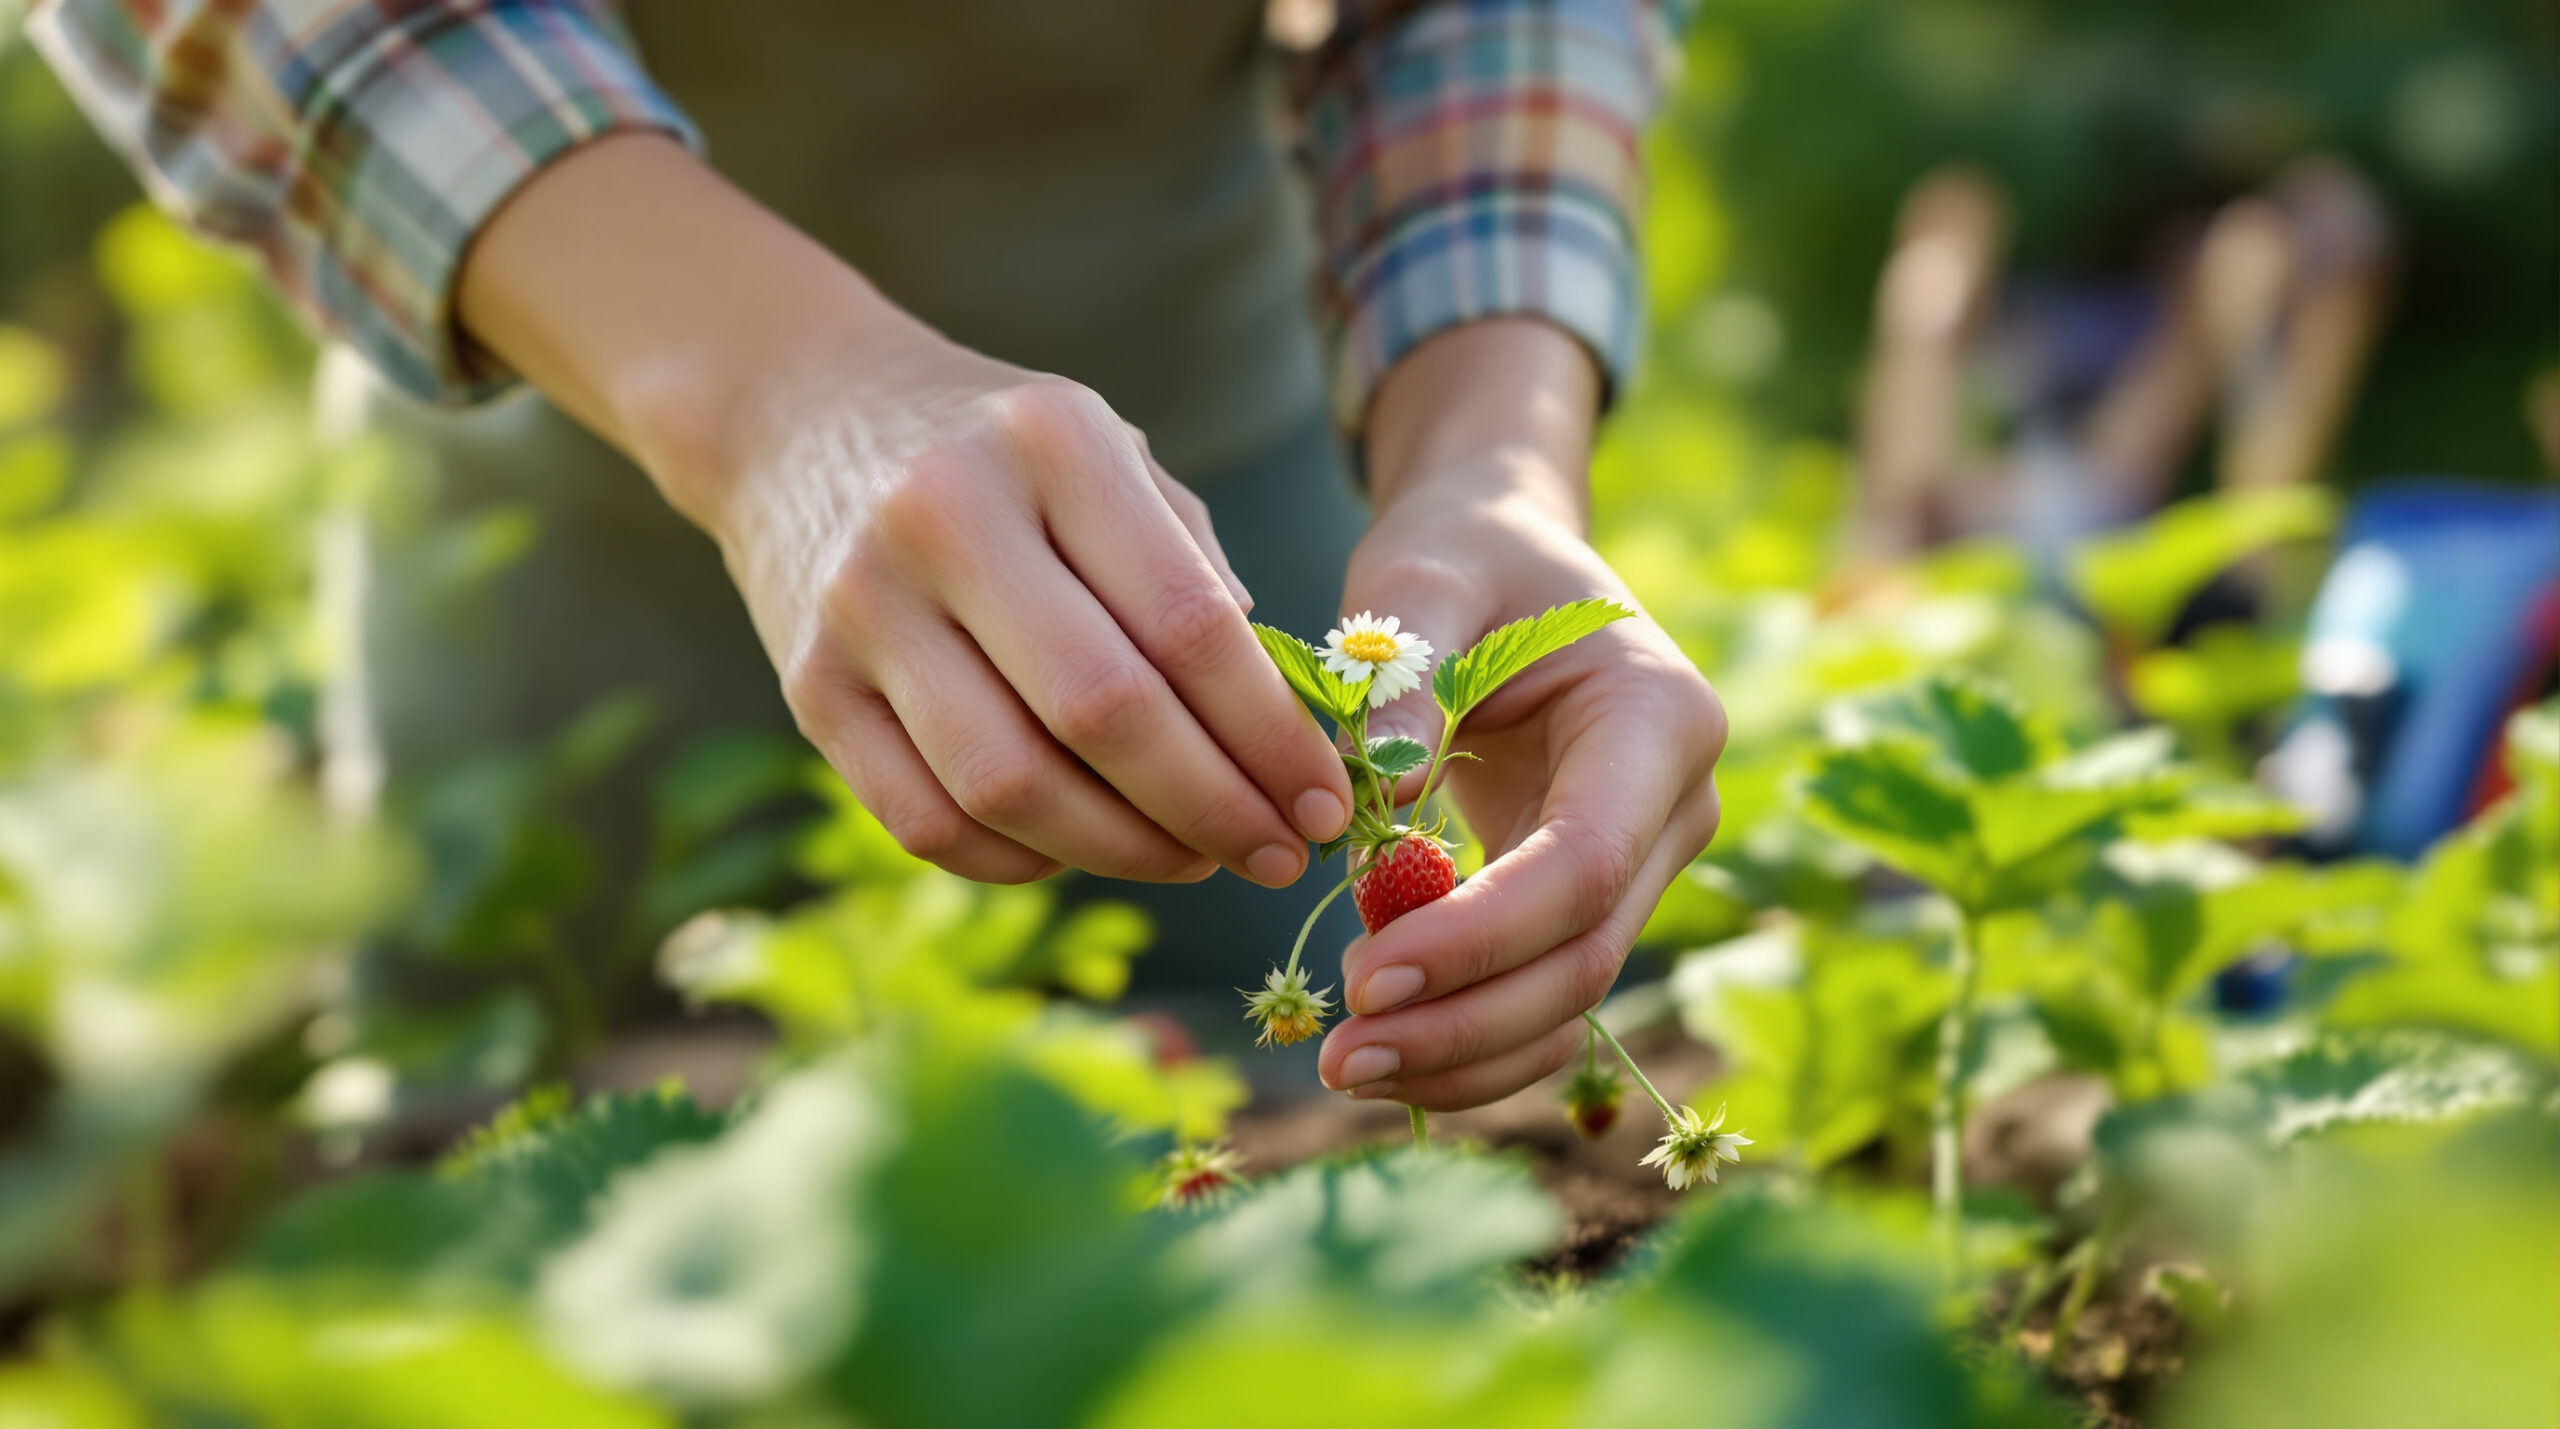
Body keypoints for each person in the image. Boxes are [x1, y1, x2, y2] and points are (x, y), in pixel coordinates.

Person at [29, 0, 1726, 1112]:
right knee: (543, 1202)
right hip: (574, 512)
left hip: (1228, 531)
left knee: (1257, 1187)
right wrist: (772, 393)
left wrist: (1485, 451)